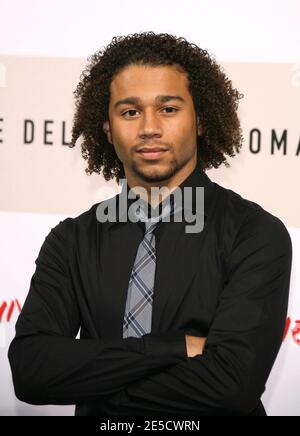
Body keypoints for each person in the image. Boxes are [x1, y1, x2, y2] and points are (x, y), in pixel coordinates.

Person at [8, 32, 292, 416]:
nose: (149, 128)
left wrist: (95, 386)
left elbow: (231, 384)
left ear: (201, 119)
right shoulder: (71, 241)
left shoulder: (255, 234)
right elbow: (31, 370)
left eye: (169, 109)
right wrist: (175, 348)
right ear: (107, 128)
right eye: (129, 112)